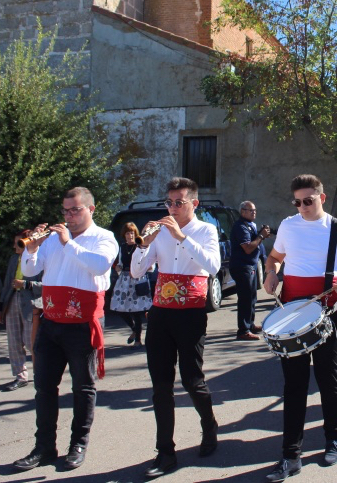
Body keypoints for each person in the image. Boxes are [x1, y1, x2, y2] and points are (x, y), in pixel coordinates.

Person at [263, 174, 337, 482]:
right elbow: (275, 258)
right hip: (293, 315)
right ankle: (290, 454)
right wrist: (271, 273)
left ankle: (333, 438)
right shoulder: (289, 226)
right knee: (293, 386)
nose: (302, 207)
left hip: (328, 310)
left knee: (327, 378)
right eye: (297, 202)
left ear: (321, 197)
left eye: (308, 201)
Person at [14, 187, 119, 472]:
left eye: (75, 210)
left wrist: (67, 242)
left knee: (83, 387)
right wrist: (33, 249)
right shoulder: (51, 240)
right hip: (51, 321)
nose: (69, 216)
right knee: (44, 387)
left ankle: (78, 444)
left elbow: (98, 266)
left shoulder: (104, 238)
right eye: (65, 211)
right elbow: (32, 270)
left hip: (83, 323)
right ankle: (44, 447)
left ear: (91, 209)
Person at [131, 177, 222, 478]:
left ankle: (209, 425)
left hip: (191, 314)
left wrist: (181, 237)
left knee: (192, 380)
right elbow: (135, 271)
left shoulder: (205, 230)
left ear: (194, 203)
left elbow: (213, 266)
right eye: (168, 202)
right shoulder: (160, 233)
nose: (171, 207)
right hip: (160, 313)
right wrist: (144, 243)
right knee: (160, 387)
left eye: (178, 202)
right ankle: (165, 451)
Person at [0, 230, 43, 391]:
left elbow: (48, 286)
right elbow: (6, 284)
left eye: (19, 242)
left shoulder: (39, 260)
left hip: (31, 303)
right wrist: (1, 307)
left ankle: (42, 373)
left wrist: (25, 284)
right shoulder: (13, 259)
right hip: (12, 301)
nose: (16, 246)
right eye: (16, 242)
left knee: (31, 342)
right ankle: (20, 376)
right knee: (14, 341)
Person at [230, 200, 272, 341]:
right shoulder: (240, 227)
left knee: (252, 297)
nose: (254, 212)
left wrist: (261, 234)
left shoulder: (250, 225)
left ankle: (250, 324)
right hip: (242, 266)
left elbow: (255, 244)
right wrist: (260, 236)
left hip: (251, 265)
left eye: (255, 210)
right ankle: (243, 330)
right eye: (251, 210)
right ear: (243, 211)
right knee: (245, 298)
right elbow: (248, 248)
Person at [110, 222, 153, 347]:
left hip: (137, 279)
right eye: (128, 233)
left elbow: (148, 264)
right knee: (118, 307)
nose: (130, 235)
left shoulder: (140, 246)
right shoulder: (122, 247)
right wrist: (118, 268)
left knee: (137, 310)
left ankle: (138, 340)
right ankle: (134, 329)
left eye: (132, 233)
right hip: (124, 280)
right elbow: (120, 263)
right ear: (124, 235)